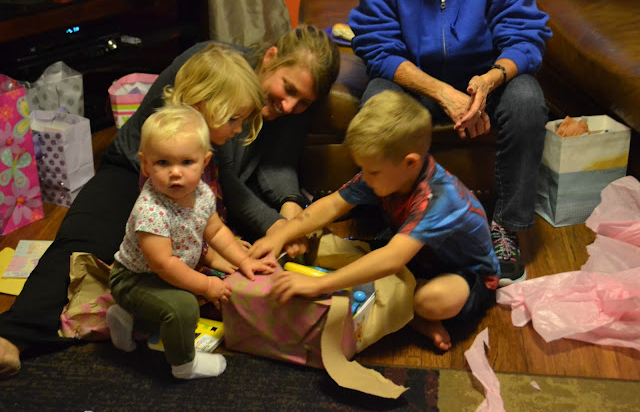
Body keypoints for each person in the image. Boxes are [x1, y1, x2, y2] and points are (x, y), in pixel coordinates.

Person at [0, 25, 340, 379]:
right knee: (85, 240)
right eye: (289, 89)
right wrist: (278, 227)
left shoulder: (284, 112)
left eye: (304, 102)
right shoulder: (211, 70)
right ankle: (13, 335)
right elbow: (228, 179)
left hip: (208, 189)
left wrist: (290, 208)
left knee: (240, 257)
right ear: (270, 58)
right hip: (141, 172)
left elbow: (278, 166)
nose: (290, 106)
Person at [249, 90, 500, 351]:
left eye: (372, 171)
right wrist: (280, 235)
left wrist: (319, 285)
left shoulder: (440, 199)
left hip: (466, 275)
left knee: (431, 300)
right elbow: (333, 205)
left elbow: (392, 259)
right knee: (323, 246)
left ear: (410, 163)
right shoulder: (387, 172)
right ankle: (399, 300)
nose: (365, 178)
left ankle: (411, 312)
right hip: (414, 258)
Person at [347, 0, 553, 286]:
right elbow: (379, 49)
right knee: (378, 98)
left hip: (486, 81)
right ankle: (397, 222)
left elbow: (525, 39)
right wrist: (441, 92)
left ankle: (506, 228)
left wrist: (487, 83)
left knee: (527, 101)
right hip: (417, 81)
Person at [107, 105, 277, 379]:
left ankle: (126, 317)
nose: (176, 172)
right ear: (145, 164)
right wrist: (207, 285)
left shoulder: (201, 193)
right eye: (163, 163)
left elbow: (216, 231)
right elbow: (163, 264)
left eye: (187, 162)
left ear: (205, 161)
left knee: (186, 294)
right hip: (134, 279)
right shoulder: (151, 210)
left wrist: (244, 260)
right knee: (184, 305)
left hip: (164, 274)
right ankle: (184, 365)